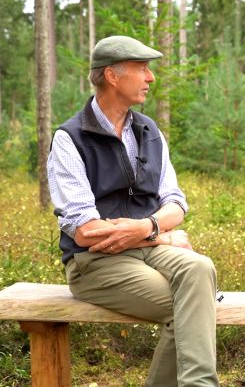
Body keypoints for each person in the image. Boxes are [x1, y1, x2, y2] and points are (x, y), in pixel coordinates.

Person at [47, 35, 219, 387]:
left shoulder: (149, 130)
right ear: (112, 76)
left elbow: (175, 202)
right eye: (142, 69)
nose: (150, 78)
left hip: (149, 247)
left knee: (201, 267)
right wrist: (163, 235)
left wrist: (148, 229)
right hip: (94, 263)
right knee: (191, 308)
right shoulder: (70, 138)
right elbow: (86, 231)